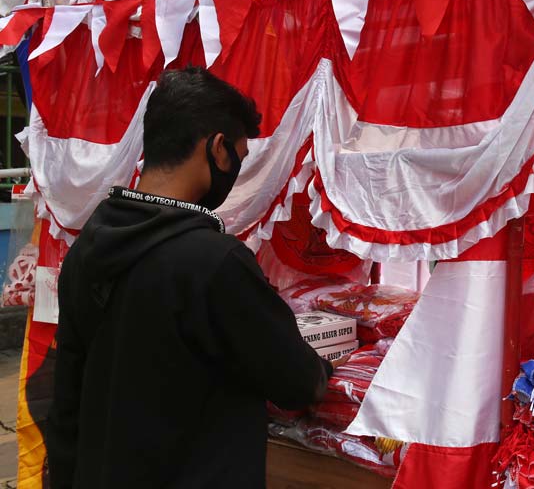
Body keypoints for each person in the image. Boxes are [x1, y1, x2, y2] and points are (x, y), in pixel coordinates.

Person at [46, 67, 331, 489]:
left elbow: (66, 399)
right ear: (218, 149)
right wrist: (327, 364)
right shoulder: (215, 263)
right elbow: (297, 381)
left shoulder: (87, 247)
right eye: (239, 156)